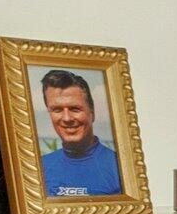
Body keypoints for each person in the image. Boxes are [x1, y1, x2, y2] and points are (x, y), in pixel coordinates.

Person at [36, 68, 124, 197]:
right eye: (57, 110)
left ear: (92, 112)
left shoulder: (120, 168)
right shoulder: (38, 168)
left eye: (75, 109)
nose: (67, 118)